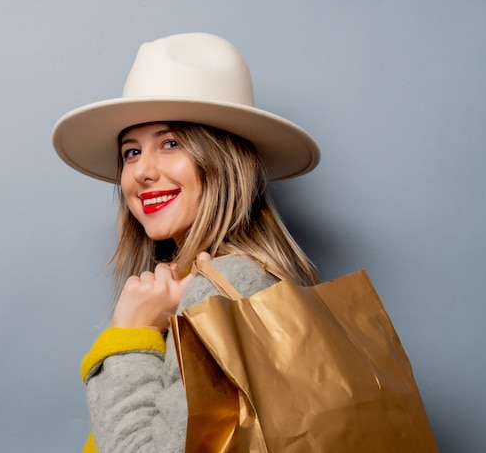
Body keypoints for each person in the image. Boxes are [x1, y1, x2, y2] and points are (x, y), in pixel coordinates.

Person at [52, 32, 321, 453]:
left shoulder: (222, 288)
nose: (142, 171)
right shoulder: (219, 282)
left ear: (224, 160)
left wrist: (132, 334)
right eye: (131, 152)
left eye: (171, 143)